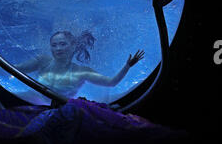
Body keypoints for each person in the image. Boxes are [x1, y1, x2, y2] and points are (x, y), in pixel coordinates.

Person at [16, 30, 145, 98]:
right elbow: (16, 70)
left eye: (62, 44)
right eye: (54, 45)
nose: (58, 48)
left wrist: (127, 66)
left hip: (62, 111)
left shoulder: (82, 72)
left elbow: (111, 83)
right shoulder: (42, 61)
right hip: (33, 102)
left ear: (73, 46)